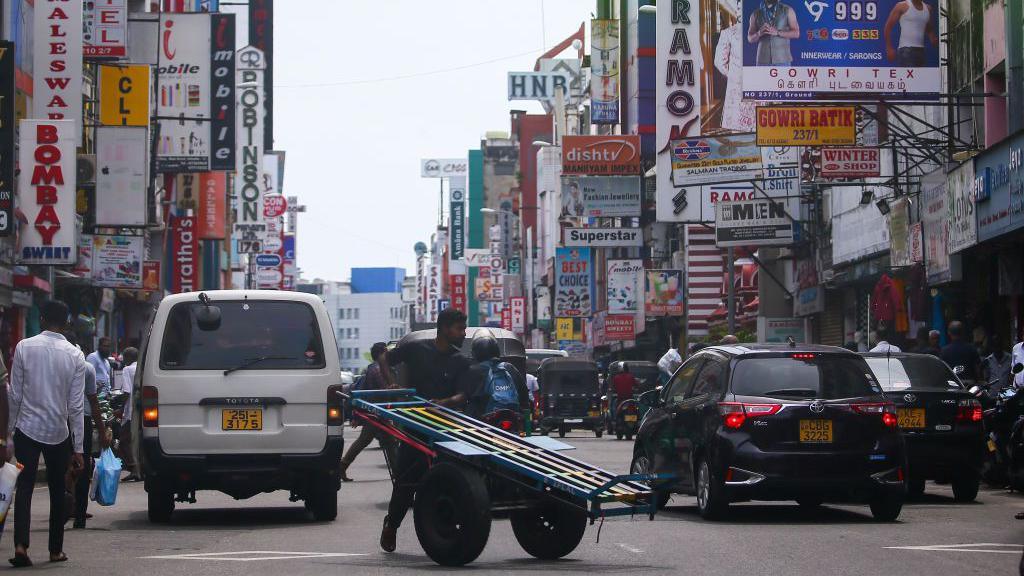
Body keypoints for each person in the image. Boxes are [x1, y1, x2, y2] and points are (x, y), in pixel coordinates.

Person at [377, 308, 473, 553]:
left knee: (457, 476)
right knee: (406, 480)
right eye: (458, 328)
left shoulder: (461, 360)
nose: (463, 333)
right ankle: (392, 524)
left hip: (447, 427)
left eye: (464, 328)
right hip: (415, 424)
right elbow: (383, 357)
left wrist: (446, 402)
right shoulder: (417, 349)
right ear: (443, 328)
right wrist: (391, 383)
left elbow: (463, 395)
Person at [8, 300, 87, 566]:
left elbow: (15, 396)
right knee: (56, 489)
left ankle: (21, 546)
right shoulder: (76, 355)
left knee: (25, 487)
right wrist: (79, 448)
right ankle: (55, 550)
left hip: (26, 430)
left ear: (41, 320)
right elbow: (76, 406)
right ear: (66, 324)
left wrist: (7, 434)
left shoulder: (23, 347)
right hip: (58, 432)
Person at [338, 343, 394, 482]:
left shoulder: (372, 368)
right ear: (383, 353)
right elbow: (387, 389)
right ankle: (399, 473)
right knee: (385, 442)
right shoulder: (378, 370)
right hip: (378, 411)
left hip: (375, 411)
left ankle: (342, 466)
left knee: (377, 441)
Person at [69, 335, 110, 529]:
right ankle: (79, 516)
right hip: (82, 421)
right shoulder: (87, 367)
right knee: (83, 467)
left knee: (61, 466)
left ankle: (63, 510)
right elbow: (93, 402)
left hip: (60, 419)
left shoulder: (59, 365)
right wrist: (102, 431)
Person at [713, 0, 756, 131]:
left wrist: (733, 75)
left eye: (741, 8)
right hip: (742, 88)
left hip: (743, 87)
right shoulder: (728, 33)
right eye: (738, 8)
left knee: (740, 130)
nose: (739, 11)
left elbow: (719, 62)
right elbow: (719, 62)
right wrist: (733, 75)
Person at [465, 334, 526, 419]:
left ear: (475, 353)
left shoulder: (473, 371)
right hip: (513, 418)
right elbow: (524, 393)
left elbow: (465, 396)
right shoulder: (509, 367)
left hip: (483, 422)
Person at [884, 0, 938, 66]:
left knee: (920, 75)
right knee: (909, 75)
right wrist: (889, 48)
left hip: (921, 51)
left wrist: (932, 38)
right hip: (906, 50)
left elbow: (928, 27)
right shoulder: (902, 6)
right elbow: (888, 27)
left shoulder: (928, 8)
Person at [747, 0, 800, 65]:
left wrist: (777, 32)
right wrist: (758, 33)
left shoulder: (788, 10)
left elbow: (796, 33)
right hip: (762, 61)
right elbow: (750, 39)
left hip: (783, 61)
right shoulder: (755, 14)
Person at [118, 348, 140, 482]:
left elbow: (126, 392)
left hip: (130, 412)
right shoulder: (142, 367)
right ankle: (137, 469)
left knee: (123, 442)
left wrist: (120, 408)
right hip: (141, 411)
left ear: (128, 358)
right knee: (135, 442)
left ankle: (134, 469)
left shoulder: (127, 369)